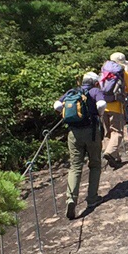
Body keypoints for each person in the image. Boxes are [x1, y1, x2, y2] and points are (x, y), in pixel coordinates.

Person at [54, 70, 105, 218]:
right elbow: (101, 104)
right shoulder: (95, 91)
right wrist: (99, 114)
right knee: (95, 164)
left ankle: (71, 199)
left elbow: (57, 105)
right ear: (95, 82)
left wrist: (65, 113)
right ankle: (92, 198)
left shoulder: (72, 91)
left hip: (73, 133)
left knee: (75, 166)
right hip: (91, 132)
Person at [97, 52, 128, 167]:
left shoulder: (103, 71)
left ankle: (115, 158)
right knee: (117, 132)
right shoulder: (121, 73)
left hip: (102, 106)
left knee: (107, 133)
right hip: (116, 106)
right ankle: (109, 152)